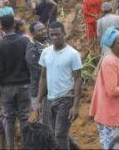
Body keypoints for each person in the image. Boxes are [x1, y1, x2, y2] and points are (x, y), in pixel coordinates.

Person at [37, 21, 83, 149]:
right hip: (50, 99)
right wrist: (40, 100)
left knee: (60, 135)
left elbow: (78, 80)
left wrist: (75, 105)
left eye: (58, 34)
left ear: (64, 34)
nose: (55, 37)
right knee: (53, 134)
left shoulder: (73, 54)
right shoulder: (46, 52)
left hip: (66, 99)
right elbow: (43, 77)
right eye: (52, 35)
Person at [0, 14, 31, 149]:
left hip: (6, 87)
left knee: (9, 118)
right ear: (14, 25)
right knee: (24, 117)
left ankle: (11, 146)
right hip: (25, 85)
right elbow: (30, 63)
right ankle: (26, 145)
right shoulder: (25, 42)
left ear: (1, 28)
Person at [26, 22, 51, 116]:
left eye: (44, 28)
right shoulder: (31, 49)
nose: (43, 31)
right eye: (40, 30)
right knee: (42, 118)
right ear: (32, 34)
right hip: (39, 90)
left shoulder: (49, 41)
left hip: (52, 88)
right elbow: (37, 72)